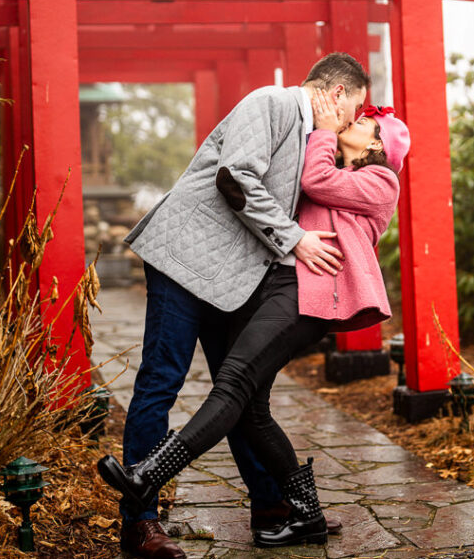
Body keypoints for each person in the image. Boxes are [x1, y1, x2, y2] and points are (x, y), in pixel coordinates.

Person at [99, 92, 410, 548]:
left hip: (298, 293)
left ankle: (171, 481)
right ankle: (152, 517)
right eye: (352, 109)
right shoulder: (275, 107)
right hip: (217, 268)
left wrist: (322, 133)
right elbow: (243, 178)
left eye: (362, 119)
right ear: (337, 93)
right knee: (203, 391)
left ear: (376, 146)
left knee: (236, 390)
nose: (350, 118)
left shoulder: (376, 178)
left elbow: (311, 180)